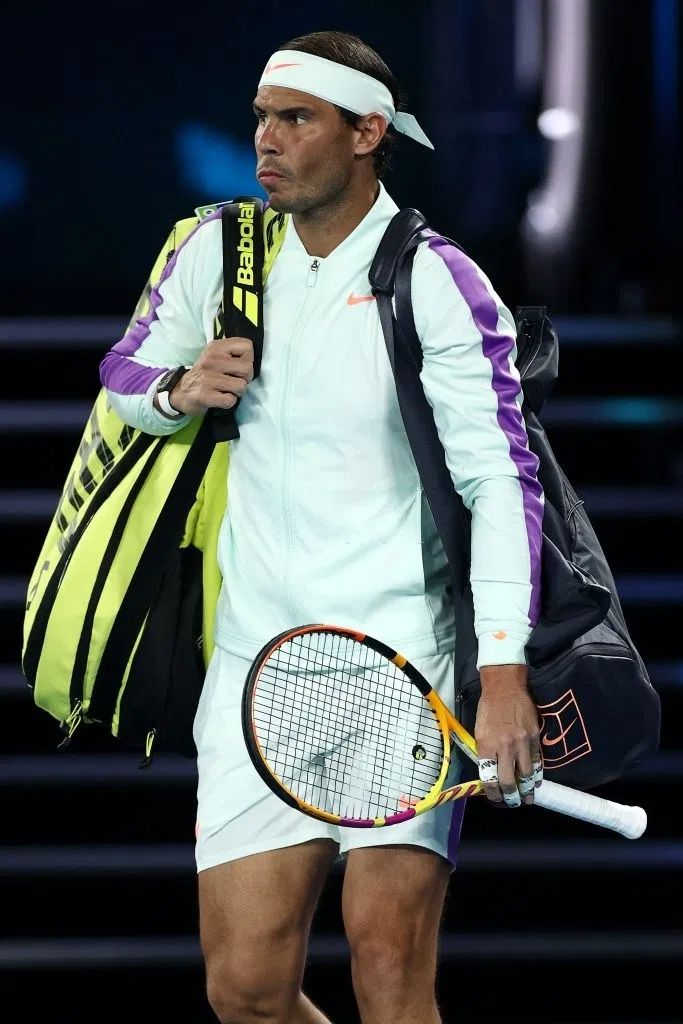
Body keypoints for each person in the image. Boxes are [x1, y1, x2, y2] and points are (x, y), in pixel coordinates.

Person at [99, 29, 545, 1024]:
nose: (265, 139)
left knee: (389, 974)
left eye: (294, 119)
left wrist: (504, 674)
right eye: (261, 116)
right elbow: (123, 375)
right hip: (255, 666)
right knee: (247, 990)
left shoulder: (436, 279)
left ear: (365, 134)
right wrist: (176, 388)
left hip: (405, 669)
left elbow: (500, 483)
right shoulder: (216, 248)